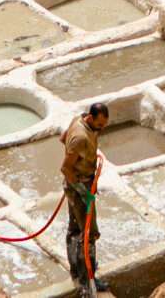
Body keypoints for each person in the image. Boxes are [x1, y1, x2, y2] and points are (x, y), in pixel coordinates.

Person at [60, 102, 109, 296]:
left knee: (75, 229)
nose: (101, 129)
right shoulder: (80, 137)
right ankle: (87, 280)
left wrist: (83, 156)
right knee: (89, 234)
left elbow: (62, 138)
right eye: (99, 125)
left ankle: (76, 271)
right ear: (90, 117)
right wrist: (83, 191)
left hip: (76, 184)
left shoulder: (78, 120)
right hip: (79, 187)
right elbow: (65, 168)